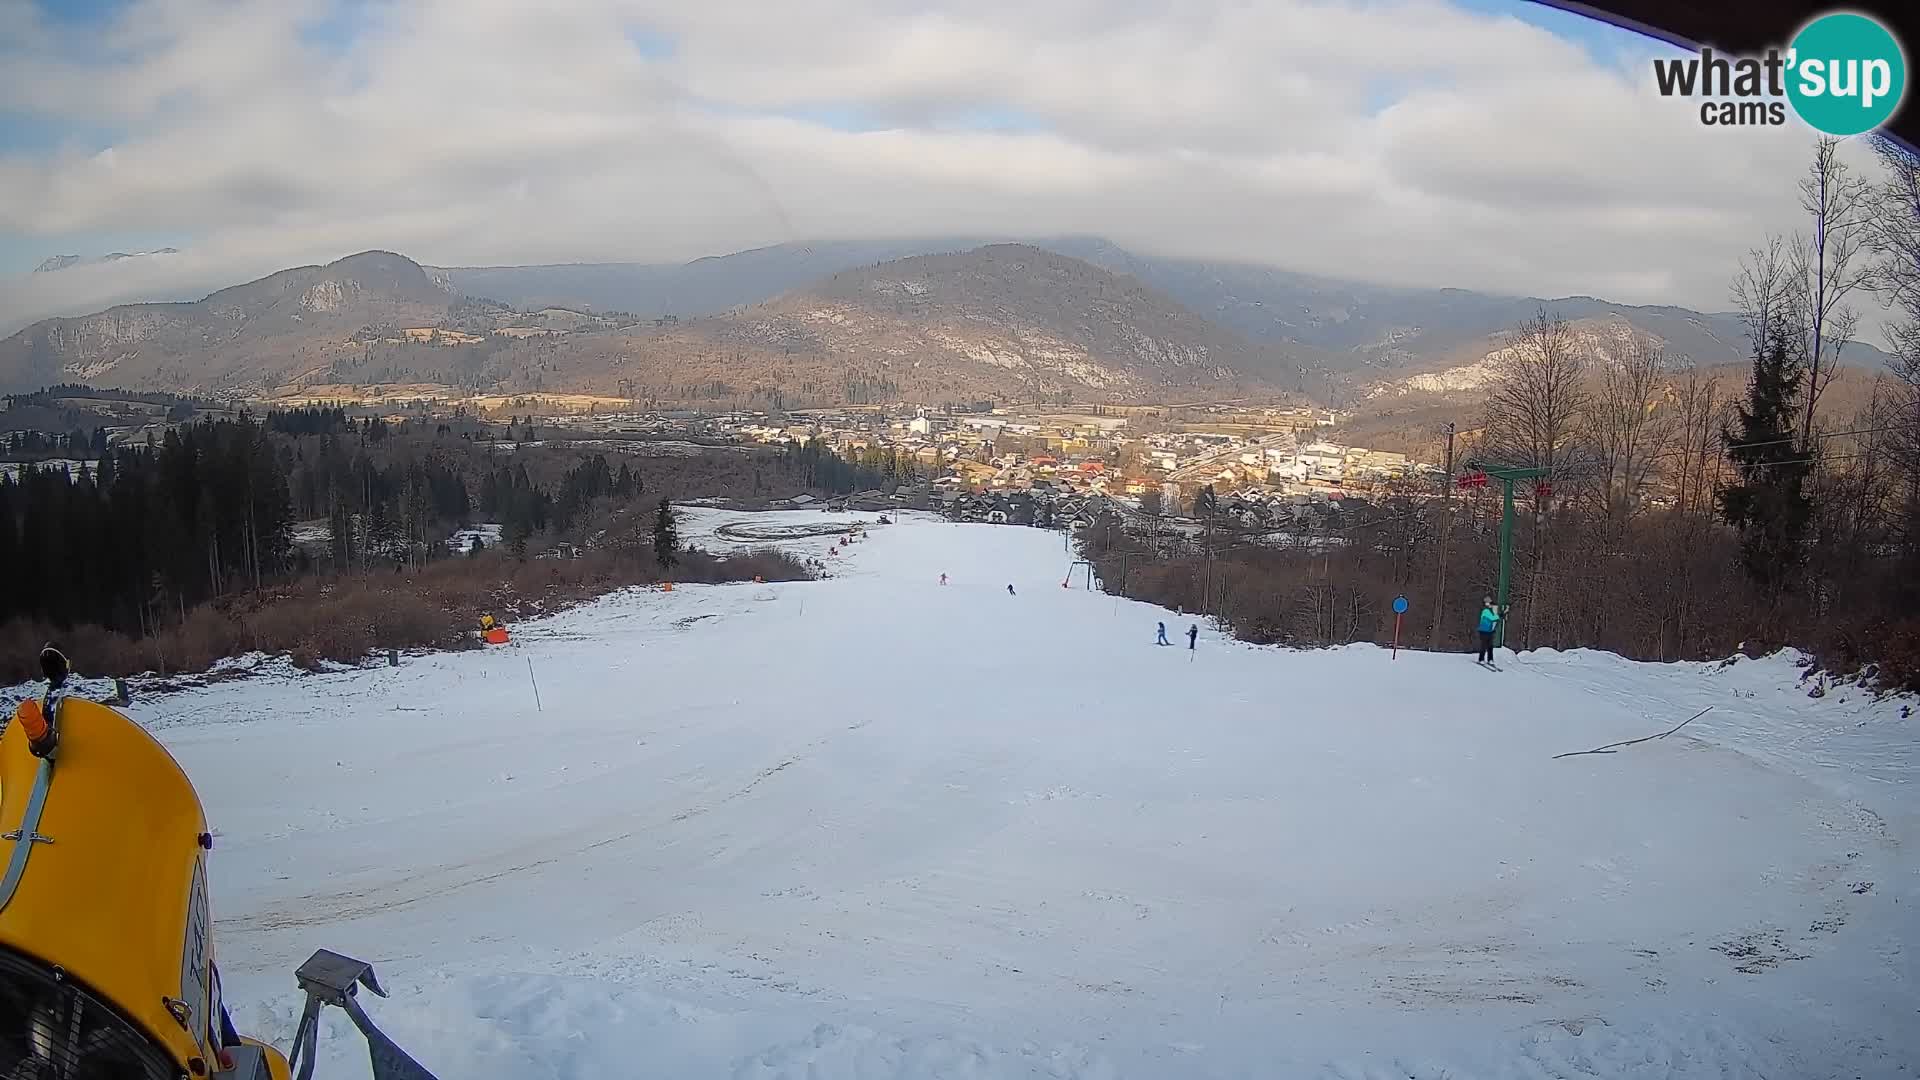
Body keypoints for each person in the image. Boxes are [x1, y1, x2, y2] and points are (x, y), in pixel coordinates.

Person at [1475, 596, 1501, 664]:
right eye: (1489, 603)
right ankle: (1481, 659)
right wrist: (1499, 615)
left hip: (1489, 631)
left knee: (1490, 646)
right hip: (1483, 631)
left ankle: (1490, 659)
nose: (1491, 605)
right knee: (1483, 645)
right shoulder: (1485, 610)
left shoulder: (1490, 610)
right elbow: (1492, 618)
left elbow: (1495, 619)